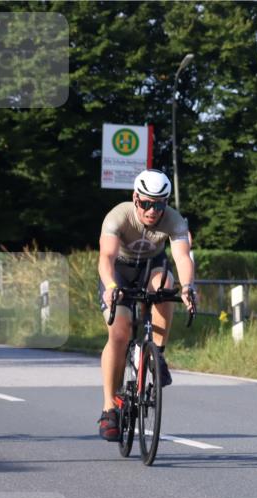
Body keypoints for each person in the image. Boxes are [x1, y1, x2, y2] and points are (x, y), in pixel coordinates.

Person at [97, 169, 196, 440]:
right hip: (119, 272)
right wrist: (112, 288)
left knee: (166, 287)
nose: (152, 211)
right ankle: (109, 408)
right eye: (146, 203)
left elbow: (183, 257)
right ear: (135, 198)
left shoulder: (174, 220)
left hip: (151, 268)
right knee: (120, 332)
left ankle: (157, 355)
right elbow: (106, 256)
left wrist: (187, 288)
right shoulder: (119, 215)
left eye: (159, 204)